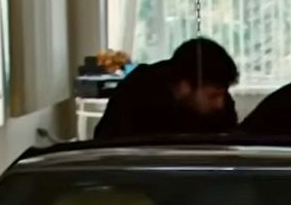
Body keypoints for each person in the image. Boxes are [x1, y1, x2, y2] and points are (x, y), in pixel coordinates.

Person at [93, 37, 239, 140]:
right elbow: (108, 146)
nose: (220, 104)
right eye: (212, 97)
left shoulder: (221, 102)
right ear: (184, 87)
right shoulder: (136, 93)